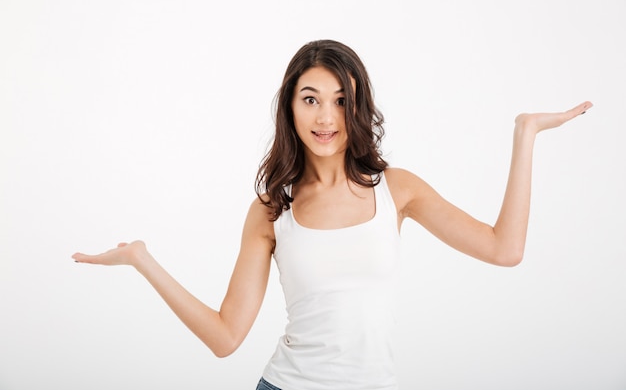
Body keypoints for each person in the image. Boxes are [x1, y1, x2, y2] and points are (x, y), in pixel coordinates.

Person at [72, 39, 593, 390]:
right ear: (290, 108)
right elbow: (226, 337)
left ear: (358, 107)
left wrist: (525, 135)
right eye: (311, 98)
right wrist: (143, 261)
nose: (326, 117)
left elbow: (505, 249)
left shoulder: (397, 189)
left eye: (342, 101)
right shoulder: (271, 210)